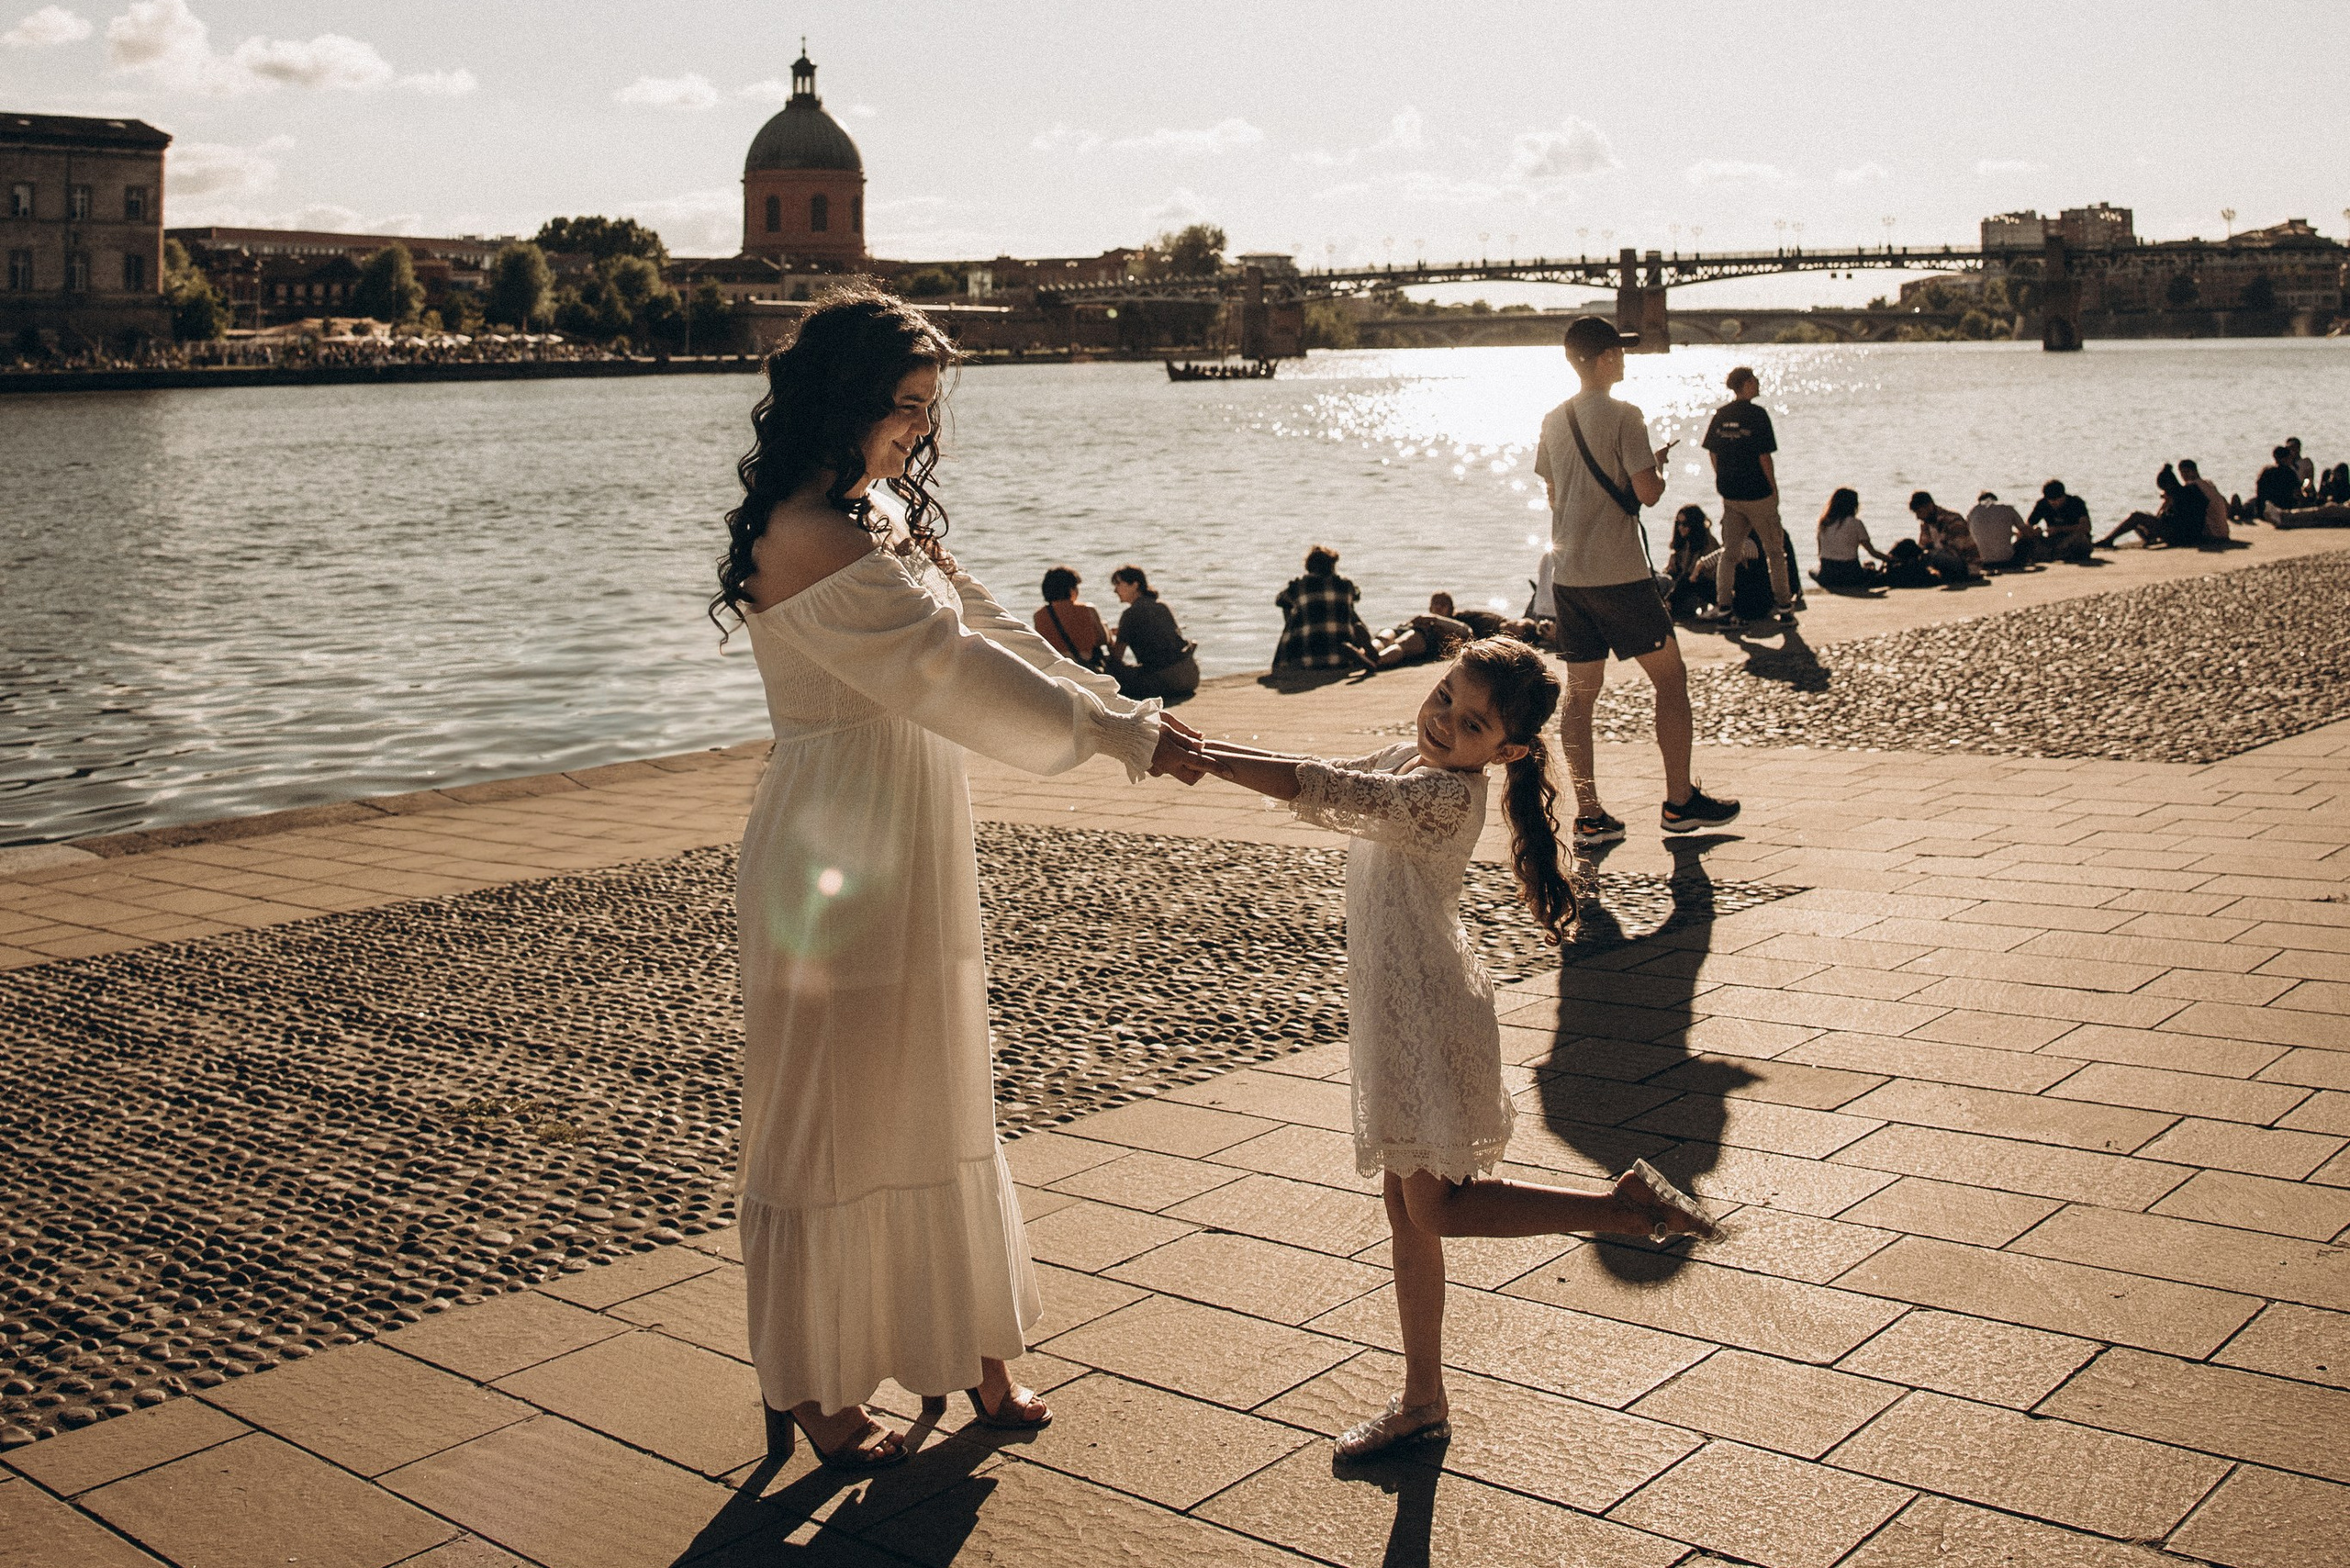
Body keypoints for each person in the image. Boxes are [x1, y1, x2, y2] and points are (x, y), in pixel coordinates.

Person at [708, 290, 1212, 1470]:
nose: (914, 437)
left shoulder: (874, 509)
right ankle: (817, 1380)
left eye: (927, 414)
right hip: (833, 839)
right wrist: (1123, 742)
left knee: (941, 1083)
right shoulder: (807, 533)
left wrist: (1120, 710)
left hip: (911, 821)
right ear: (842, 400)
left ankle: (973, 1346)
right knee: (832, 1104)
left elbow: (987, 628)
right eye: (902, 410)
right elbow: (943, 669)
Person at [1191, 638, 1719, 1460]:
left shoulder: (1446, 795)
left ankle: (1620, 1211)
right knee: (1407, 1214)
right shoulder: (1412, 757)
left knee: (1433, 1207)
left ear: (1503, 751)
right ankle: (1422, 1397)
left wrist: (1203, 762)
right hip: (1397, 1012)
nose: (1442, 722)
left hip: (1429, 1019)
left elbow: (1327, 790)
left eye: (1469, 721)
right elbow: (1314, 765)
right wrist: (1206, 749)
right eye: (1443, 696)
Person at [1533, 316, 1740, 846]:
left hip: (1570, 579)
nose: (1624, 360)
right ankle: (1678, 803)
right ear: (1602, 360)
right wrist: (1657, 470)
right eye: (1618, 353)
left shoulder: (1553, 418)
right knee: (1670, 681)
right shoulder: (1627, 416)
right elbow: (1647, 494)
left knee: (1580, 698)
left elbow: (1557, 495)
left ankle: (1591, 814)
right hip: (1621, 576)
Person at [1696, 366, 1794, 626]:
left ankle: (1725, 610)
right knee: (1775, 551)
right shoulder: (1758, 415)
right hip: (1757, 493)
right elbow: (1764, 456)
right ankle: (1785, 608)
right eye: (1755, 380)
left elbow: (1712, 452)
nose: (1759, 384)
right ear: (1747, 384)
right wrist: (1773, 488)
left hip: (1731, 494)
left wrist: (1722, 477)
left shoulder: (1721, 414)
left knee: (1729, 553)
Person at [1272, 545, 1376, 672]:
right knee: (1346, 607)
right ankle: (1360, 648)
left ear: (1308, 566)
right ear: (1332, 566)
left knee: (1292, 607)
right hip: (1342, 657)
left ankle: (1289, 654)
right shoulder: (1346, 585)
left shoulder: (1298, 586)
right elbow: (1356, 595)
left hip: (1307, 659)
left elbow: (1279, 600)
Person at [1107, 565, 1201, 700]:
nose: (1115, 590)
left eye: (1118, 584)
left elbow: (1117, 656)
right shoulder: (1161, 606)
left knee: (1111, 668)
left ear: (1134, 585)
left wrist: (1108, 640)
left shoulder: (1130, 614)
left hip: (1166, 682)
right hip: (1190, 675)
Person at [2097, 464, 2206, 549]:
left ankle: (2109, 540)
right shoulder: (2185, 492)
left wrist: (2166, 507)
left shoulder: (2180, 495)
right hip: (2187, 534)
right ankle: (2148, 538)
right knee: (2144, 519)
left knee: (2136, 516)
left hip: (2180, 536)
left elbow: (2178, 519)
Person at [1032, 565, 1111, 670]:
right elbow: (1103, 640)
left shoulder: (1039, 615)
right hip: (1085, 667)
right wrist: (1104, 626)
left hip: (1057, 668)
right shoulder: (1088, 609)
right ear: (1071, 589)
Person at [1811, 487, 1889, 590]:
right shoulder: (1855, 523)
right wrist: (1890, 559)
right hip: (1850, 575)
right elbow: (1872, 552)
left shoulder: (1824, 523)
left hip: (1827, 574)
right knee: (1873, 570)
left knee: (1812, 570)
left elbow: (1820, 553)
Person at [1371, 591, 1476, 667]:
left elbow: (1466, 631)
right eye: (1435, 603)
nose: (1438, 606)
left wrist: (1435, 619)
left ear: (1451, 609)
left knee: (1402, 642)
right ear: (1430, 607)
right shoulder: (1422, 618)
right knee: (1385, 636)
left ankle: (1376, 660)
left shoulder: (1451, 622)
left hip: (1424, 637)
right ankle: (1366, 653)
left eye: (1443, 604)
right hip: (1404, 629)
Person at [1908, 491, 1982, 583]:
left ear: (1929, 506)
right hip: (1944, 560)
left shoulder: (1952, 520)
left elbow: (1957, 551)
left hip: (1967, 565)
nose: (1918, 517)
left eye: (1919, 512)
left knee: (1929, 555)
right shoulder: (1926, 524)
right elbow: (1922, 546)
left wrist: (1927, 554)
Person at [1661, 505, 1719, 616]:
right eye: (1678, 523)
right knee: (1656, 576)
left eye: (1685, 524)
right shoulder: (1684, 544)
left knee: (1681, 580)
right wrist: (1672, 565)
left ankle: (1666, 605)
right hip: (1682, 591)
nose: (1680, 527)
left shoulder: (1707, 544)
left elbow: (1693, 578)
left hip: (1694, 594)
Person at [2027, 479, 2095, 563]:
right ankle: (2054, 554)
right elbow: (2028, 525)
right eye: (2050, 500)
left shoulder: (2076, 503)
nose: (2053, 503)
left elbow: (2086, 527)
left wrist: (2059, 529)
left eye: (2056, 499)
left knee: (2080, 538)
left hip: (2071, 538)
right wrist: (2035, 530)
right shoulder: (2042, 504)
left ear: (2063, 495)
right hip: (2052, 541)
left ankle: (2054, 555)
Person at [1965, 491, 2028, 571]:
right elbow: (2027, 532)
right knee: (2027, 541)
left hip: (1983, 563)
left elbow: (1967, 534)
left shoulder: (1973, 512)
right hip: (2007, 561)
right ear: (1995, 499)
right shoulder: (2007, 509)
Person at [2177, 459, 2232, 544]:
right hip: (2223, 532)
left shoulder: (2192, 487)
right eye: (2182, 473)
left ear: (2194, 471)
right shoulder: (2208, 484)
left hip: (2212, 533)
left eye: (2186, 472)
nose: (2184, 475)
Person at [2255, 445, 2306, 520]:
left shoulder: (2266, 471)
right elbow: (2297, 493)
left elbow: (2259, 490)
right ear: (2286, 458)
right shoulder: (2289, 473)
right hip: (2284, 506)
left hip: (2263, 508)